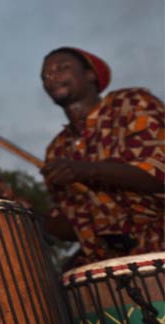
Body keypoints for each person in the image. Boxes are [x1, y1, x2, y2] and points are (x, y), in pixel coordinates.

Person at [39, 46, 164, 267]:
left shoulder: (131, 103)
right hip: (108, 262)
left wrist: (87, 169)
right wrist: (33, 217)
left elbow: (158, 173)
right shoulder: (56, 150)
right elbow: (75, 228)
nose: (52, 76)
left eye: (62, 68)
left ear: (90, 75)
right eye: (46, 75)